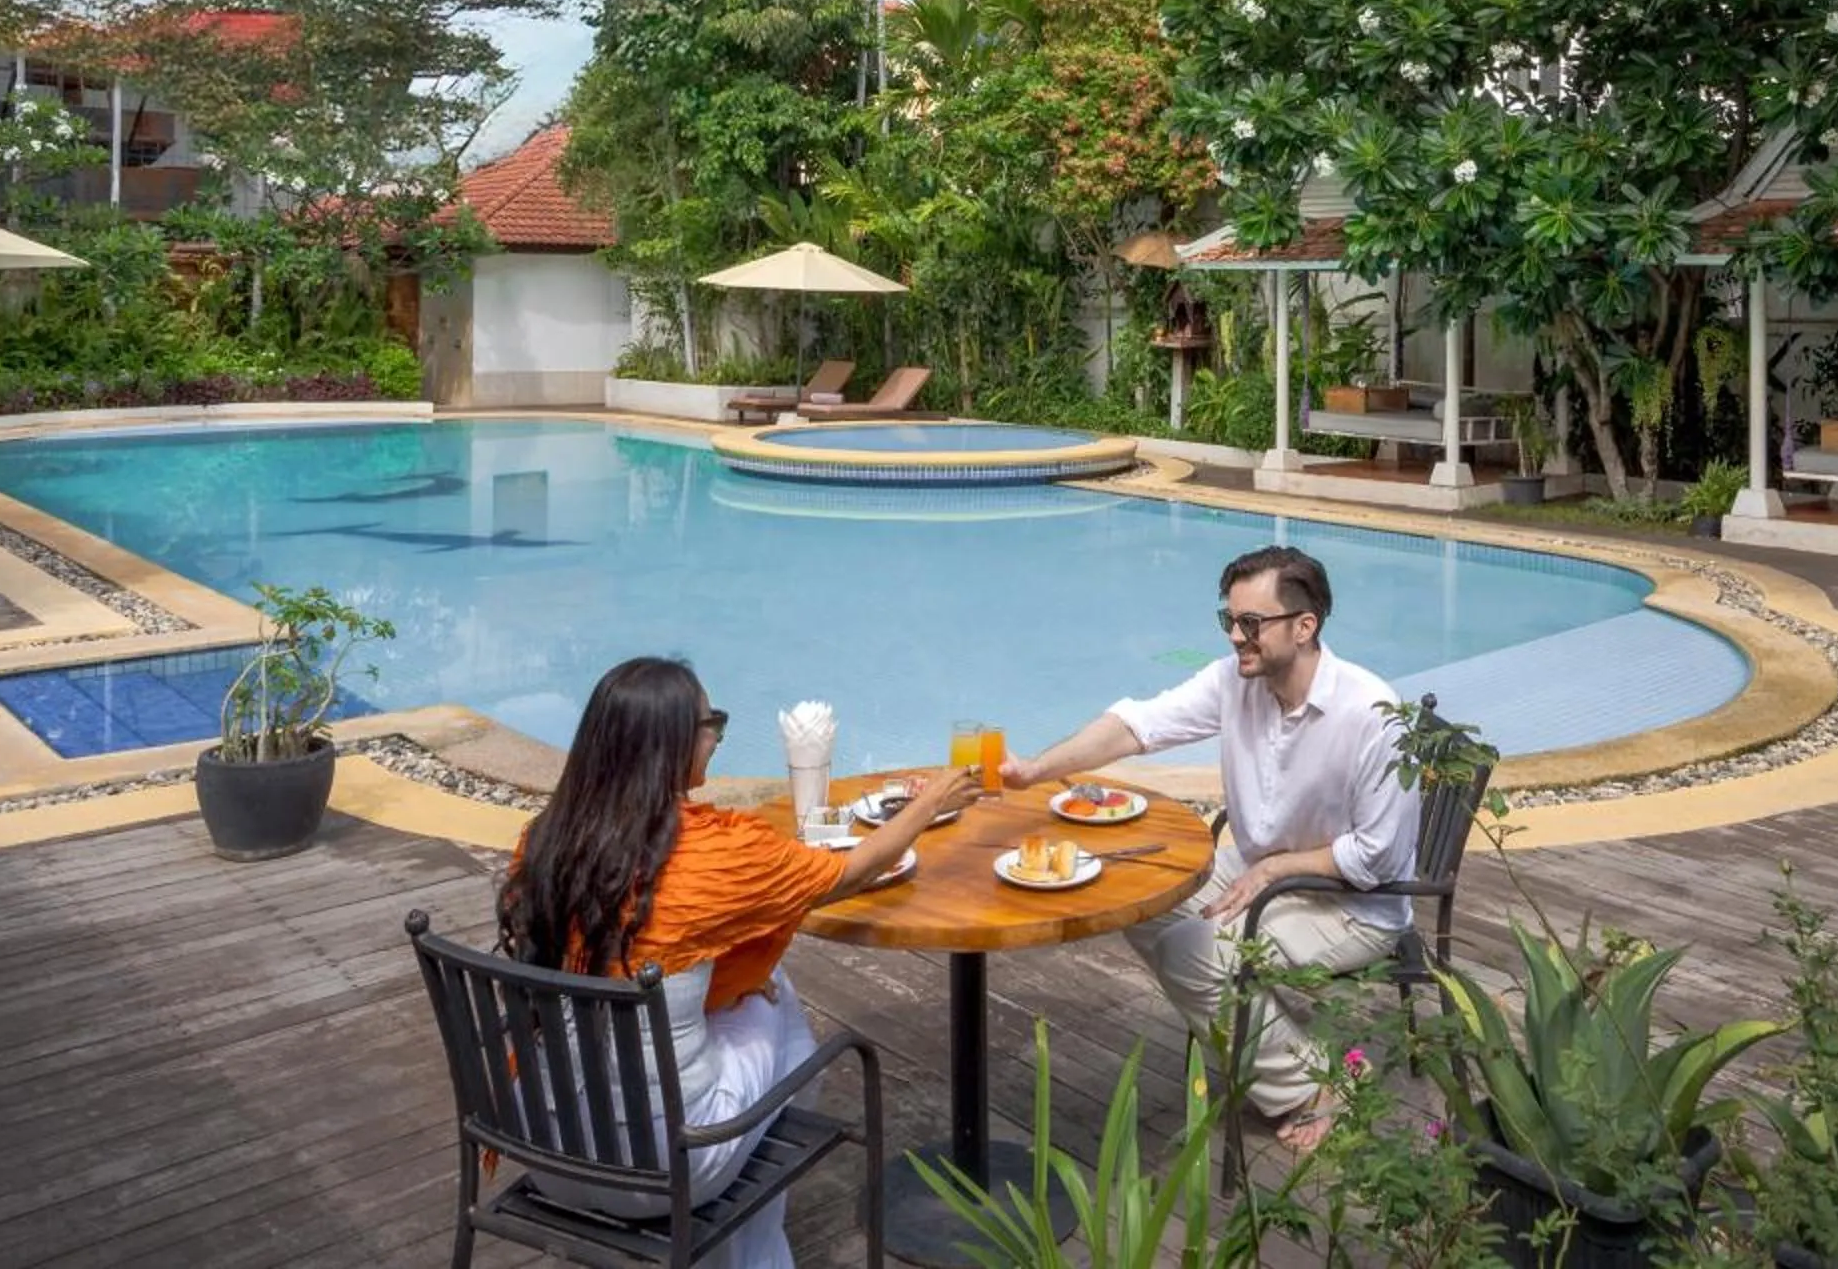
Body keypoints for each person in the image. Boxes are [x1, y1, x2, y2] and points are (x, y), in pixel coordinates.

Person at [498, 656, 977, 1269]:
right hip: (666, 1170)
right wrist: (930, 802)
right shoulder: (717, 855)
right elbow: (849, 873)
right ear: (672, 742)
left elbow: (638, 946)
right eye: (711, 721)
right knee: (782, 1006)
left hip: (543, 1144)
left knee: (739, 991)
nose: (719, 737)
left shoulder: (544, 841)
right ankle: (752, 1254)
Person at [1000, 544, 1419, 1153]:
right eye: (1230, 620)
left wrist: (1279, 867)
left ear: (1305, 627)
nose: (1236, 638)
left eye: (1252, 623)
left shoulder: (1373, 714)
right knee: (1136, 899)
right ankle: (1273, 1039)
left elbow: (1377, 856)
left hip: (1352, 902)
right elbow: (1138, 725)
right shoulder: (1236, 682)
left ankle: (1317, 1085)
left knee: (1195, 953)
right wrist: (1036, 769)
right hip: (1256, 867)